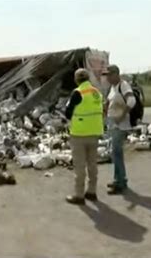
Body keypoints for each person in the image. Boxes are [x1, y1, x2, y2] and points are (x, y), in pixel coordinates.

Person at [64, 68, 104, 205]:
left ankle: (79, 195)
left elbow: (67, 113)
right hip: (95, 132)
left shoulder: (78, 93)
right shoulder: (97, 93)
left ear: (76, 79)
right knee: (92, 164)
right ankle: (92, 191)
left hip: (79, 133)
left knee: (80, 166)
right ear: (88, 78)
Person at [102, 65, 136, 195]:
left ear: (116, 74)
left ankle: (120, 182)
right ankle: (119, 179)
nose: (107, 78)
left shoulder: (124, 85)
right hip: (113, 124)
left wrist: (121, 116)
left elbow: (131, 101)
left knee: (116, 153)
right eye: (106, 75)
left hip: (120, 125)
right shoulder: (112, 88)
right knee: (115, 153)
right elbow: (111, 102)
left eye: (109, 75)